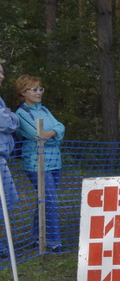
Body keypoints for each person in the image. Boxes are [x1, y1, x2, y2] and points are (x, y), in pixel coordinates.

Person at [15, 74, 65, 253]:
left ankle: (37, 236)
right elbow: (36, 135)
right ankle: (52, 242)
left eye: (40, 89)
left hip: (54, 161)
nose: (39, 92)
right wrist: (53, 134)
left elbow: (60, 127)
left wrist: (50, 134)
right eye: (34, 89)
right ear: (23, 92)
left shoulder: (44, 110)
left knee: (44, 201)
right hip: (37, 164)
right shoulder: (21, 114)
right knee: (50, 201)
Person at [0, 60, 20, 258]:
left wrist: (9, 116)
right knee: (5, 200)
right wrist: (9, 116)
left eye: (2, 71)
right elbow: (6, 121)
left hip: (3, 156)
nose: (2, 76)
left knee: (8, 200)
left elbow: (11, 121)